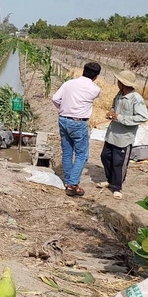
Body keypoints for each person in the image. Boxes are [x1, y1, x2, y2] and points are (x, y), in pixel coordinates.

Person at [51, 62, 102, 196]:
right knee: (82, 155)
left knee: (67, 152)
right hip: (78, 123)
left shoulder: (68, 83)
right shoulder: (95, 89)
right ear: (96, 76)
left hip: (63, 119)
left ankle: (68, 181)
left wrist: (63, 108)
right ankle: (73, 184)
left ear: (83, 71)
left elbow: (55, 98)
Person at [97, 70, 148, 199]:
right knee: (105, 156)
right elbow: (114, 107)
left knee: (119, 163)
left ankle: (117, 187)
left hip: (124, 137)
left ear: (124, 83)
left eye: (119, 81)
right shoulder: (119, 94)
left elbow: (142, 117)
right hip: (112, 134)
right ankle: (110, 180)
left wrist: (120, 118)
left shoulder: (136, 99)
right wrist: (111, 113)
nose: (118, 83)